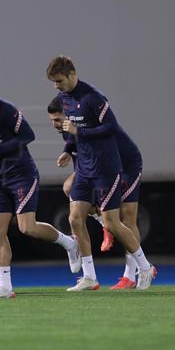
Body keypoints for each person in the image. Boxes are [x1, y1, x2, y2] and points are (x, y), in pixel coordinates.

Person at [0, 78, 80, 299]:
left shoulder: (1, 108)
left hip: (22, 175)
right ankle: (5, 287)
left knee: (27, 227)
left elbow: (28, 135)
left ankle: (69, 243)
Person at [46, 55, 155, 291]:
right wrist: (68, 150)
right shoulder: (63, 100)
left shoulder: (93, 97)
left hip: (117, 164)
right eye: (53, 82)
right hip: (86, 166)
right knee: (74, 217)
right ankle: (90, 277)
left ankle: (141, 269)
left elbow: (110, 128)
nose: (56, 86)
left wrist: (79, 132)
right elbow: (71, 132)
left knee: (122, 219)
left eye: (59, 81)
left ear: (72, 74)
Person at [47, 96, 115, 253]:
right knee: (69, 192)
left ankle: (140, 266)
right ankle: (104, 225)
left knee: (124, 220)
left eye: (57, 119)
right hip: (86, 170)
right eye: (52, 120)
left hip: (102, 170)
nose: (54, 124)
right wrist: (67, 152)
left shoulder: (83, 125)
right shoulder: (66, 129)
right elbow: (75, 144)